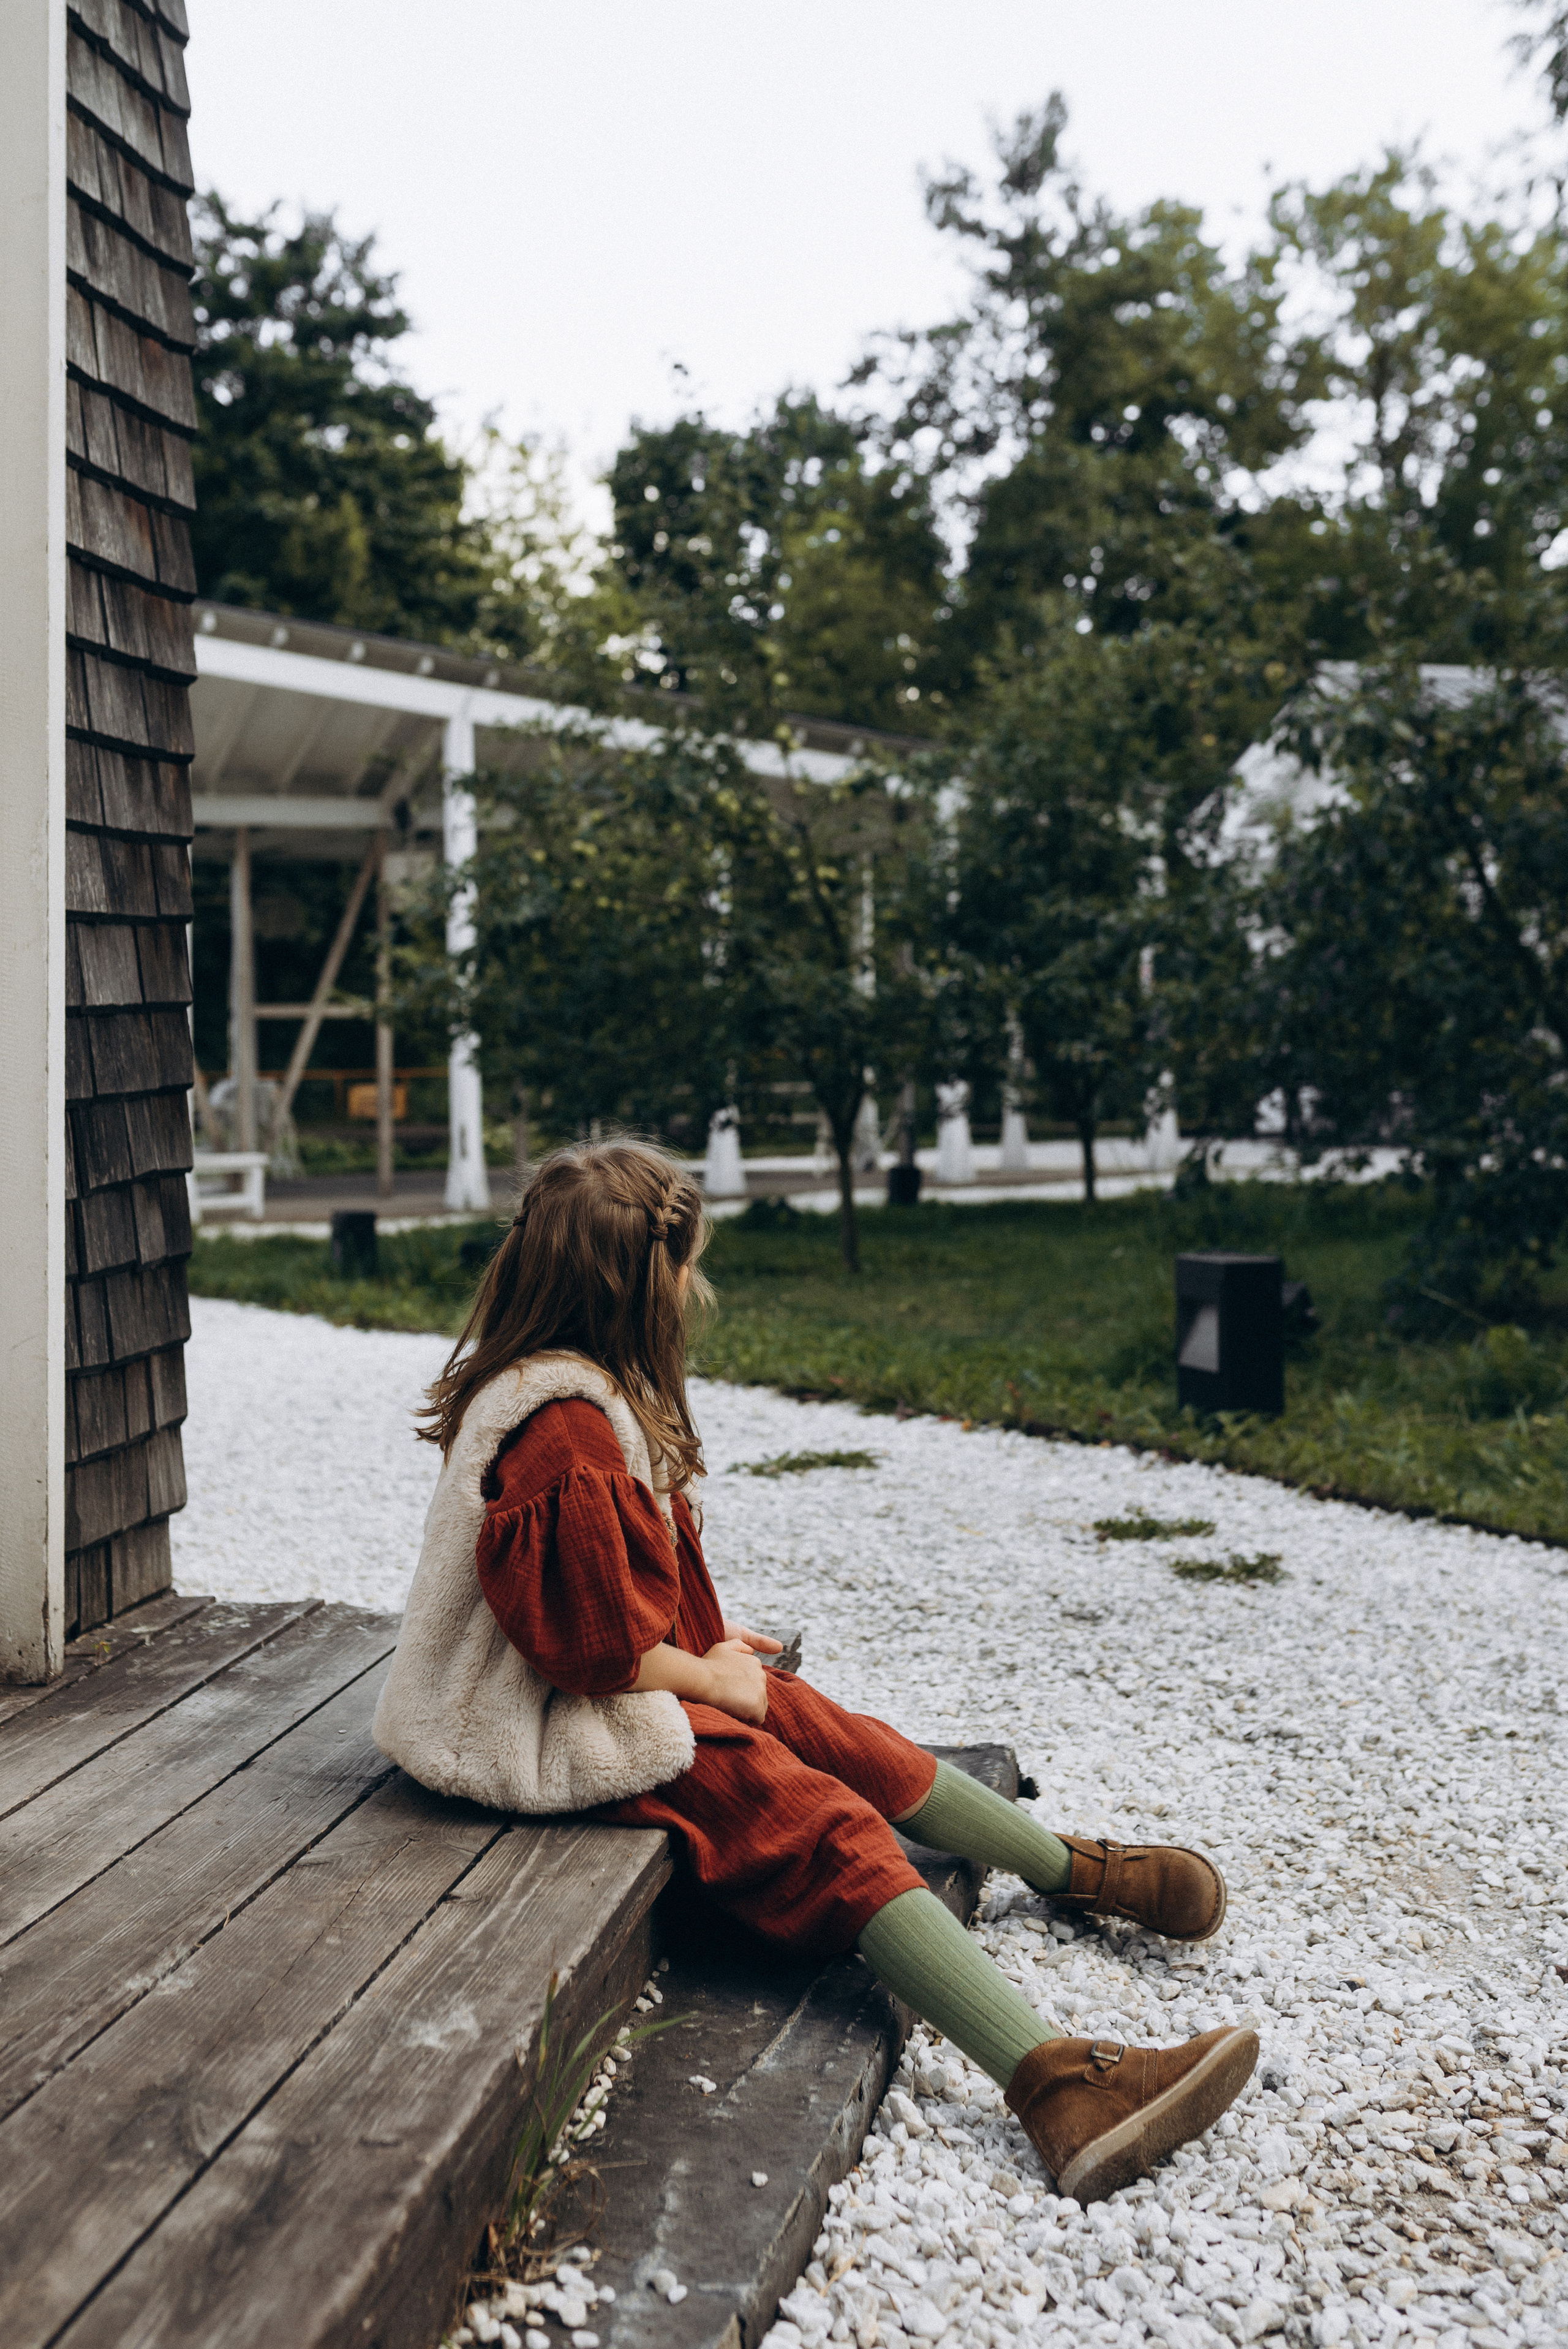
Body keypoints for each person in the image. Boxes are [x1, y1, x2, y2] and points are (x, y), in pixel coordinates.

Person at [374, 1140, 1256, 2203]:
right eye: (683, 1272)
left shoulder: (581, 1395)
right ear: (633, 1291)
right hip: (545, 1725)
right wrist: (702, 1681)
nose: (694, 1291)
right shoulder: (564, 1433)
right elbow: (592, 1650)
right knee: (817, 1818)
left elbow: (611, 1593)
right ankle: (1059, 2084)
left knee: (830, 1727)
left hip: (591, 1683)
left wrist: (712, 1644)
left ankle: (1068, 1866)